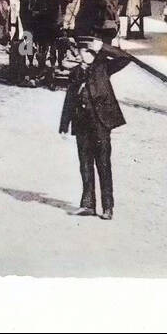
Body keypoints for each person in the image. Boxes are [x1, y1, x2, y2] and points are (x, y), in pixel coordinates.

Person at [60, 38, 131, 220]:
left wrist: (104, 48)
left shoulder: (103, 67)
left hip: (100, 122)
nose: (84, 55)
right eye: (82, 52)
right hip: (81, 122)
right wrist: (64, 124)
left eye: (89, 52)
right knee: (84, 164)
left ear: (94, 54)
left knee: (103, 164)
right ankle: (88, 204)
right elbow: (70, 97)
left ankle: (108, 207)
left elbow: (125, 57)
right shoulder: (76, 72)